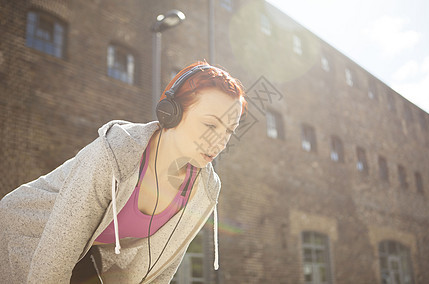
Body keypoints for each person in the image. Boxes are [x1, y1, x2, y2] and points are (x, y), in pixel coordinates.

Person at [0, 61, 247, 283]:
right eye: (210, 124)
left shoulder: (205, 189)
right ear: (171, 113)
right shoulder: (114, 153)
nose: (220, 141)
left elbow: (161, 269)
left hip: (85, 263)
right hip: (24, 241)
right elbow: (54, 257)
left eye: (229, 131)